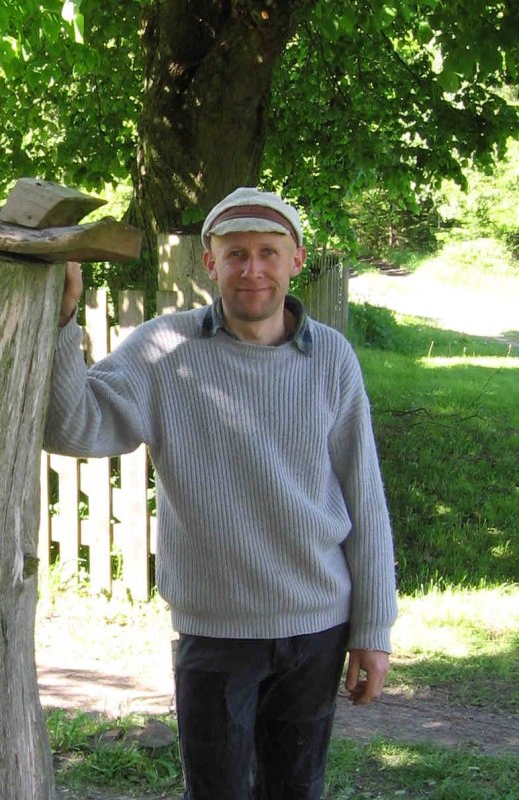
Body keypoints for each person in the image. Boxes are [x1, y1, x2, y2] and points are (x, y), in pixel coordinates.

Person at [43, 187, 398, 799]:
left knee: (296, 791)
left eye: (268, 252)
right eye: (236, 254)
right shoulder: (163, 349)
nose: (252, 269)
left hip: (317, 626)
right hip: (215, 632)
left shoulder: (332, 358)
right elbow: (73, 426)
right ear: (210, 262)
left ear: (296, 259)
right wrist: (61, 322)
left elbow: (364, 497)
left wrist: (374, 628)